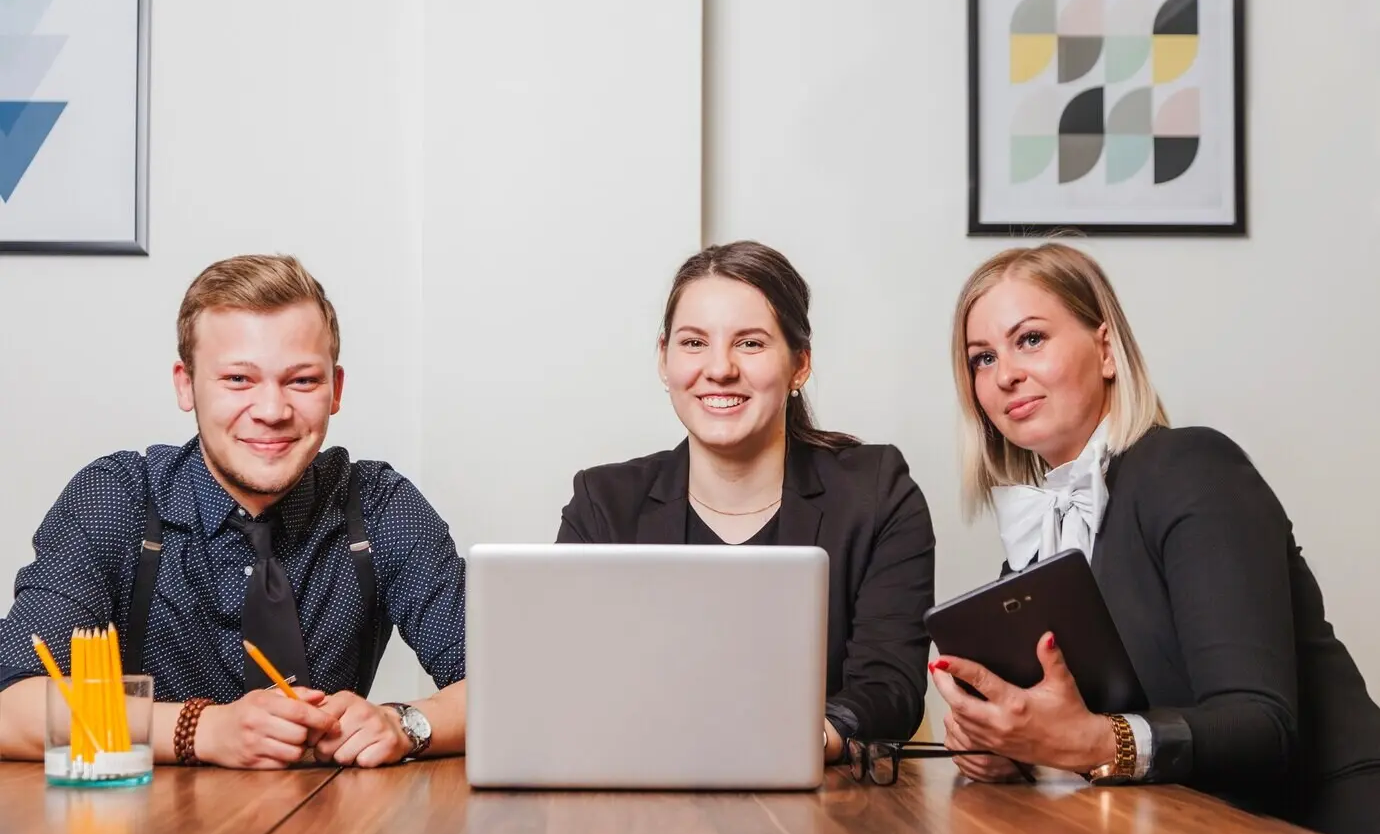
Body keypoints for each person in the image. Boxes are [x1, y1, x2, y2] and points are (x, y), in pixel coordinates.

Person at [934, 241, 1380, 834]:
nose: (1005, 373)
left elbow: (1262, 726)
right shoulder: (1037, 541)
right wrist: (1006, 746)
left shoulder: (1194, 467)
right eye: (982, 358)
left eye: (1030, 339)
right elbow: (1083, 724)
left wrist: (1090, 742)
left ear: (1107, 348)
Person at [0, 255, 467, 770]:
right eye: (240, 379)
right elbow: (11, 701)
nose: (271, 410)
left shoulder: (378, 503)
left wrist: (406, 722)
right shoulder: (119, 497)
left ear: (336, 389)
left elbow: (507, 685)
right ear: (186, 384)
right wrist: (199, 729)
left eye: (302, 381)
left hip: (336, 832)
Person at [556, 240, 936, 761]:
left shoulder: (876, 493)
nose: (719, 368)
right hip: (641, 802)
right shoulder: (603, 505)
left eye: (750, 344)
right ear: (664, 360)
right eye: (693, 343)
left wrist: (807, 741)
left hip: (821, 812)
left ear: (799, 364)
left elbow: (890, 685)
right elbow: (570, 682)